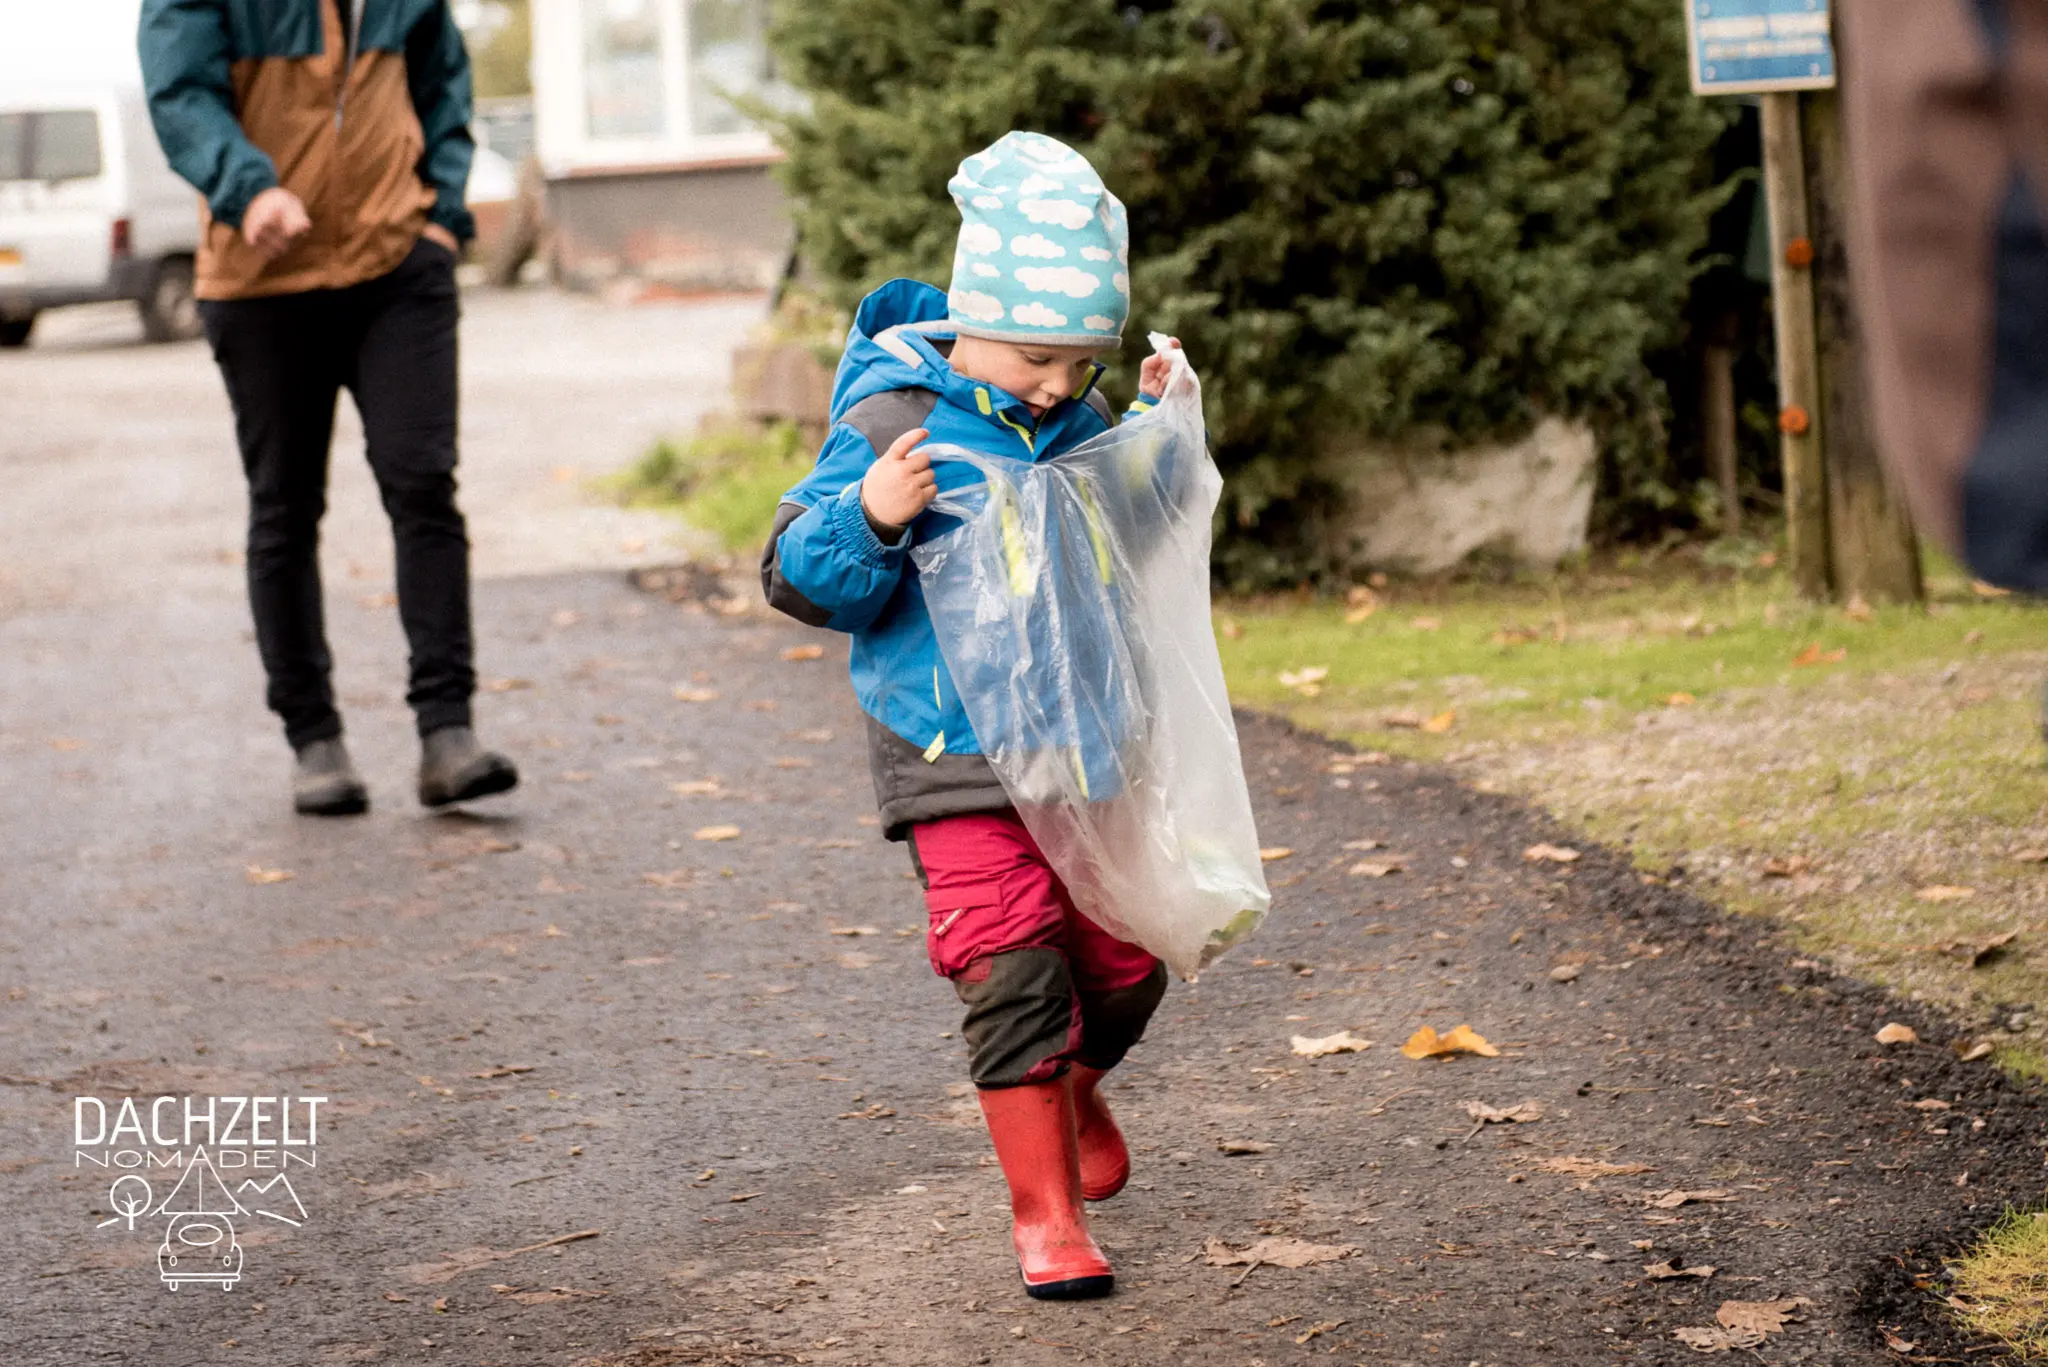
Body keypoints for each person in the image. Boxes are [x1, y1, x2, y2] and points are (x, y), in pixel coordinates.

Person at [762, 132, 1176, 1300]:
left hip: (1079, 745)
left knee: (1126, 958)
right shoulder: (890, 417)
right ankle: (1045, 1215)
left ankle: (1074, 1090)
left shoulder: (1079, 419)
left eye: (1079, 362)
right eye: (1038, 356)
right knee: (1009, 965)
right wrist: (870, 515)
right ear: (974, 320)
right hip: (945, 746)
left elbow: (1132, 535)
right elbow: (795, 576)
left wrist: (1154, 438)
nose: (1055, 382)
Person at [138, 0, 517, 815]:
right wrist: (247, 190)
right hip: (262, 275)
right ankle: (314, 739)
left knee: (422, 483)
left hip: (396, 265)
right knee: (285, 504)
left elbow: (443, 85)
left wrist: (443, 218)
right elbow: (180, 92)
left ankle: (448, 731)